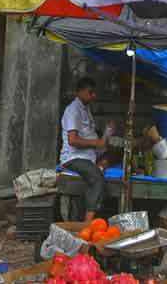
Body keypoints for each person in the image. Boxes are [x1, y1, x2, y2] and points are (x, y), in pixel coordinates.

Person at [60, 76, 112, 222]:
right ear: (80, 92)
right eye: (90, 92)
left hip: (89, 155)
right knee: (97, 179)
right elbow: (73, 140)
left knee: (114, 153)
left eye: (94, 92)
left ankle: (99, 165)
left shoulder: (85, 108)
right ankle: (87, 223)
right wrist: (96, 143)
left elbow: (89, 132)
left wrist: (105, 135)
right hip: (74, 157)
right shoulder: (73, 110)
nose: (94, 95)